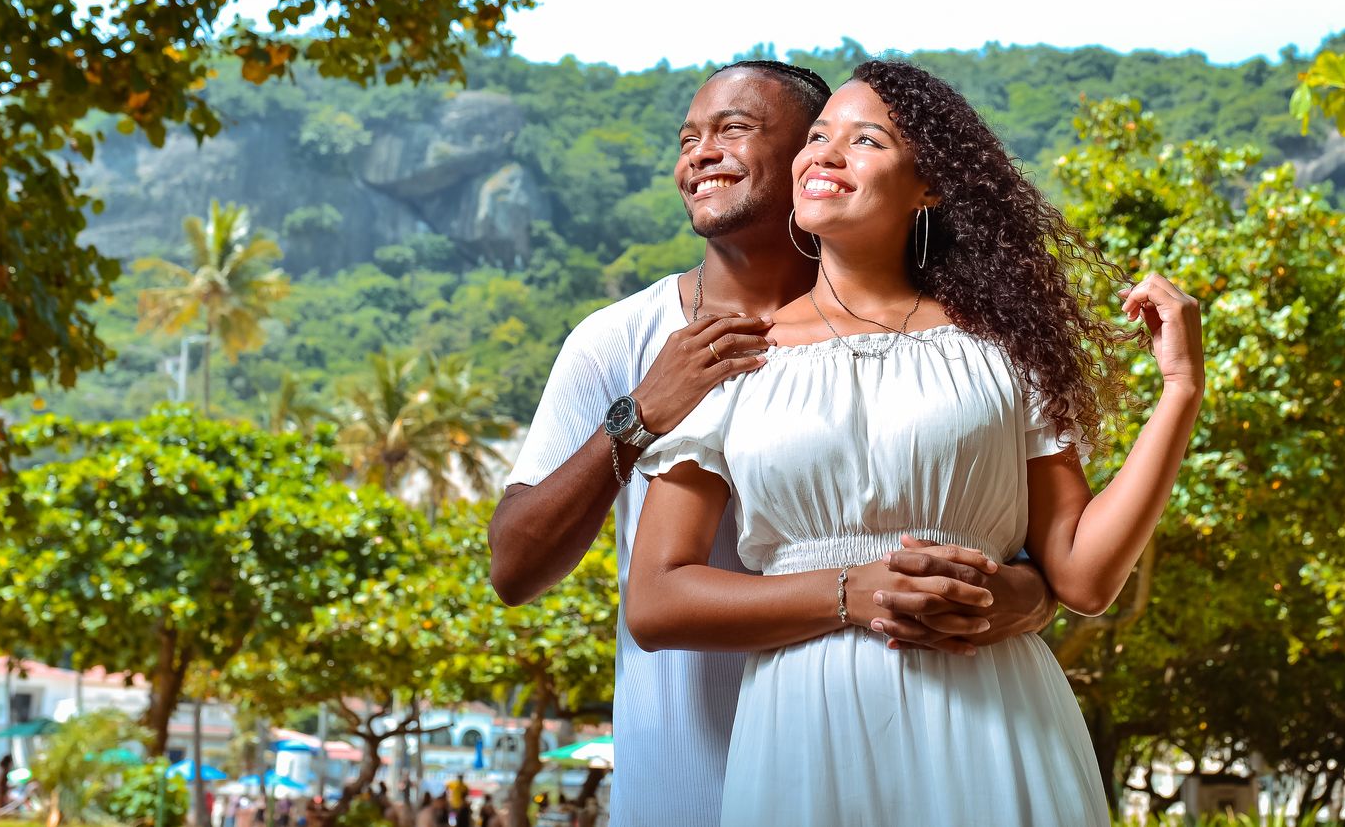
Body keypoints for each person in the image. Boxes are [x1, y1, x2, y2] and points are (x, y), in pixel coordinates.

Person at [626, 60, 1206, 827]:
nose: (824, 155)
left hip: (997, 723)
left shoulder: (1002, 351)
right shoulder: (732, 356)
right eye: (817, 136)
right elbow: (657, 600)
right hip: (805, 740)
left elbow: (1086, 577)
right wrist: (846, 594)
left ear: (930, 184)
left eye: (865, 140)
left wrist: (1180, 392)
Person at [488, 61, 1060, 826]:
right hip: (681, 773)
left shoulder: (933, 342)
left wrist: (1024, 598)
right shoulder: (617, 340)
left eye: (733, 129)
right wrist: (640, 418)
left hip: (906, 748)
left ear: (803, 153)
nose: (700, 153)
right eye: (689, 137)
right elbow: (514, 567)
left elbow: (1022, 551)